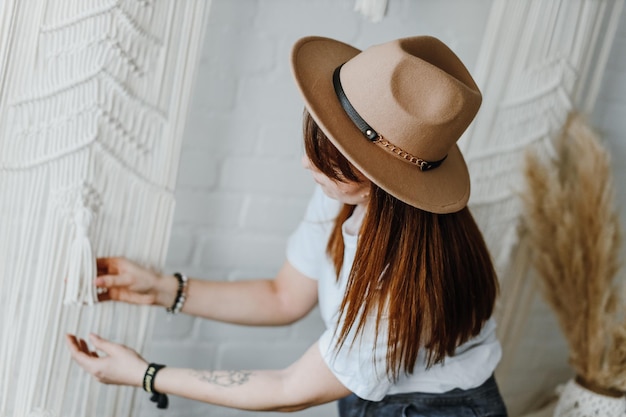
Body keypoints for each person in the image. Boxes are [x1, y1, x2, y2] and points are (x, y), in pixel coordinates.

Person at [66, 35, 509, 416]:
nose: (305, 163)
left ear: (377, 182)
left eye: (329, 161)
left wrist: (145, 374)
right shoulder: (345, 195)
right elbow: (283, 297)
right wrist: (162, 289)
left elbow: (288, 389)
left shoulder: (399, 291)